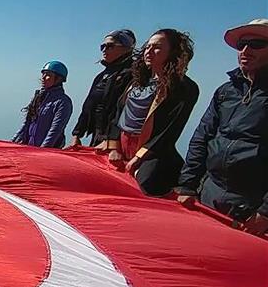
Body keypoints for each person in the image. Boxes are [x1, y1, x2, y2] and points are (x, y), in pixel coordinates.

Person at [175, 19, 268, 236]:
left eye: (256, 44)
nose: (246, 50)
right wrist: (187, 185)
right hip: (209, 196)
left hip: (252, 209)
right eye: (242, 44)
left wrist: (265, 213)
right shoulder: (226, 91)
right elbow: (202, 137)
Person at [101, 29, 199, 197]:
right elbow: (118, 114)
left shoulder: (184, 88)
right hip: (122, 148)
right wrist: (114, 148)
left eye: (157, 47)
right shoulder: (137, 82)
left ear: (173, 52)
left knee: (143, 188)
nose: (149, 51)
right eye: (148, 47)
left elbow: (168, 131)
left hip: (153, 154)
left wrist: (138, 158)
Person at [70, 29, 136, 148]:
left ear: (126, 48)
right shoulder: (101, 76)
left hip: (118, 143)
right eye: (102, 46)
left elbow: (125, 111)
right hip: (98, 136)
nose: (104, 50)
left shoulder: (133, 75)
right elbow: (88, 105)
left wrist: (112, 141)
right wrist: (77, 134)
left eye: (110, 46)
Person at [13, 61, 73, 148]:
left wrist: (43, 151)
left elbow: (55, 131)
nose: (43, 77)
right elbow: (26, 124)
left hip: (48, 153)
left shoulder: (63, 102)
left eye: (48, 75)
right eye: (43, 74)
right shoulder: (38, 97)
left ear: (59, 79)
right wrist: (12, 142)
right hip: (29, 148)